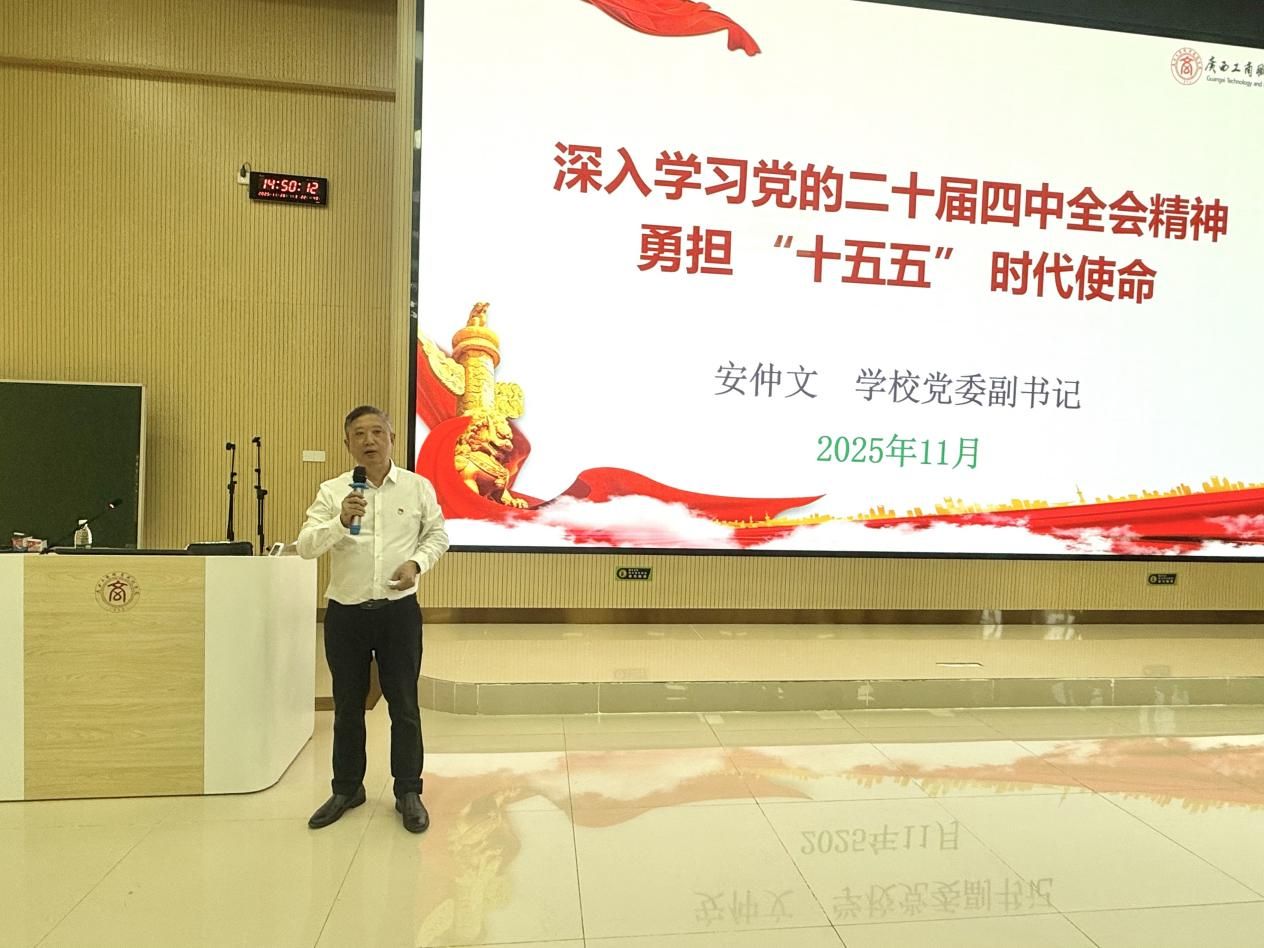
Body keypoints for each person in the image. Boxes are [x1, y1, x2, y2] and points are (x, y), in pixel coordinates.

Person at [297, 405, 448, 833]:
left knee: (405, 706)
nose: (369, 440)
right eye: (359, 434)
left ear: (392, 439)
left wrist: (416, 564)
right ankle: (347, 788)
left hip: (398, 613)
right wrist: (340, 520)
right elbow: (306, 546)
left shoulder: (417, 487)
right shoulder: (333, 491)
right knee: (347, 707)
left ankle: (408, 791)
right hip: (346, 614)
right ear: (347, 443)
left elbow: (438, 534)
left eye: (377, 432)